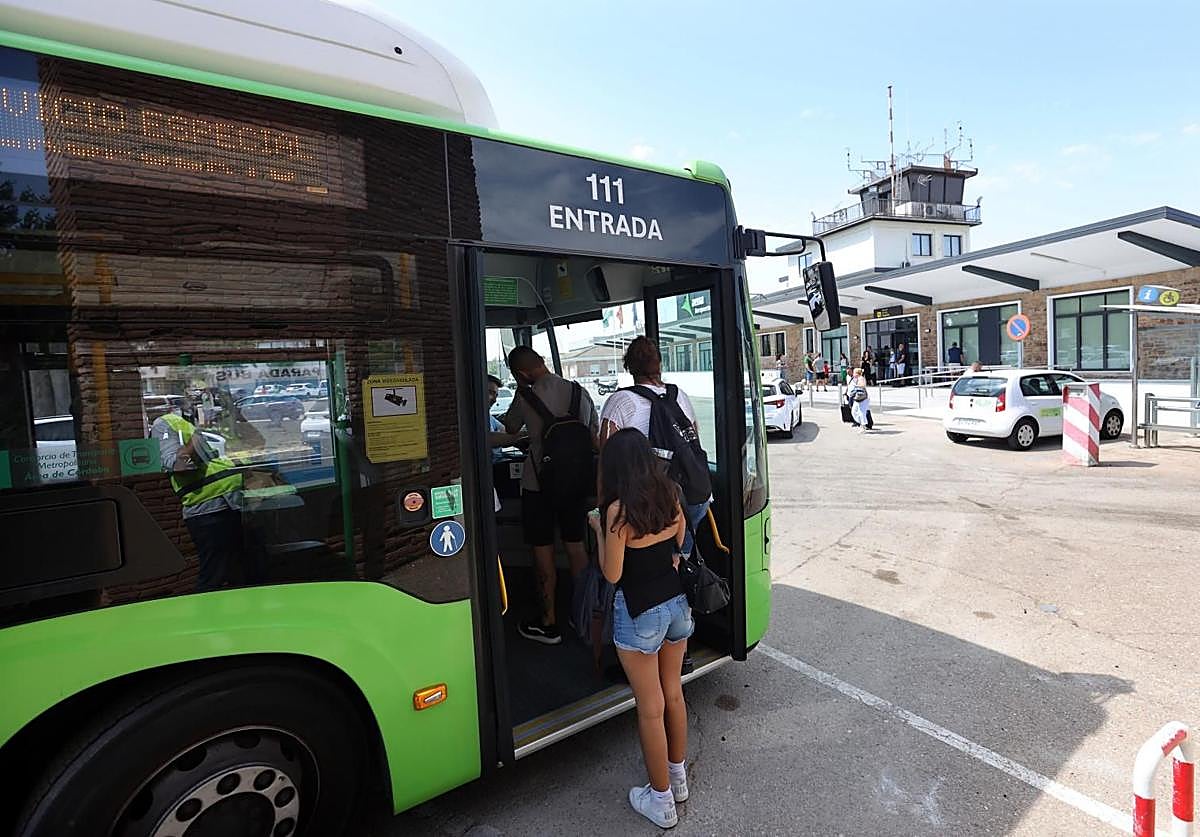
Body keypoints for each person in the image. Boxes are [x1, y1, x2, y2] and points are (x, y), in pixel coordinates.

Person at [588, 429, 692, 829]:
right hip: (677, 605)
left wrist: (599, 531)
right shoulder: (670, 492)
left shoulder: (617, 512)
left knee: (650, 709)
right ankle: (677, 779)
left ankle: (661, 800)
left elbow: (612, 574)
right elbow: (679, 542)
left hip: (640, 612)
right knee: (674, 694)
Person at [503, 346, 599, 645]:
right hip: (576, 484)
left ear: (521, 374)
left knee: (542, 552)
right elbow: (593, 434)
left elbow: (510, 427)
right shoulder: (579, 392)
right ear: (542, 362)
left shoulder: (524, 395)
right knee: (577, 548)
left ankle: (548, 623)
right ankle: (583, 615)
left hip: (538, 486)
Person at [153, 397, 259, 592]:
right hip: (208, 508)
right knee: (214, 574)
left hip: (233, 503)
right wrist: (197, 435)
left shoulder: (208, 424)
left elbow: (255, 444)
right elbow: (178, 464)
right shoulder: (165, 424)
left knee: (242, 569)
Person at [848, 367, 874, 431]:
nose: (853, 374)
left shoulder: (861, 378)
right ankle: (862, 423)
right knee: (854, 411)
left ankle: (863, 425)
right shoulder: (856, 379)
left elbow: (862, 385)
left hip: (862, 398)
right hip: (857, 397)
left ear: (857, 373)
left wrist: (856, 387)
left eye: (854, 373)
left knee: (862, 412)